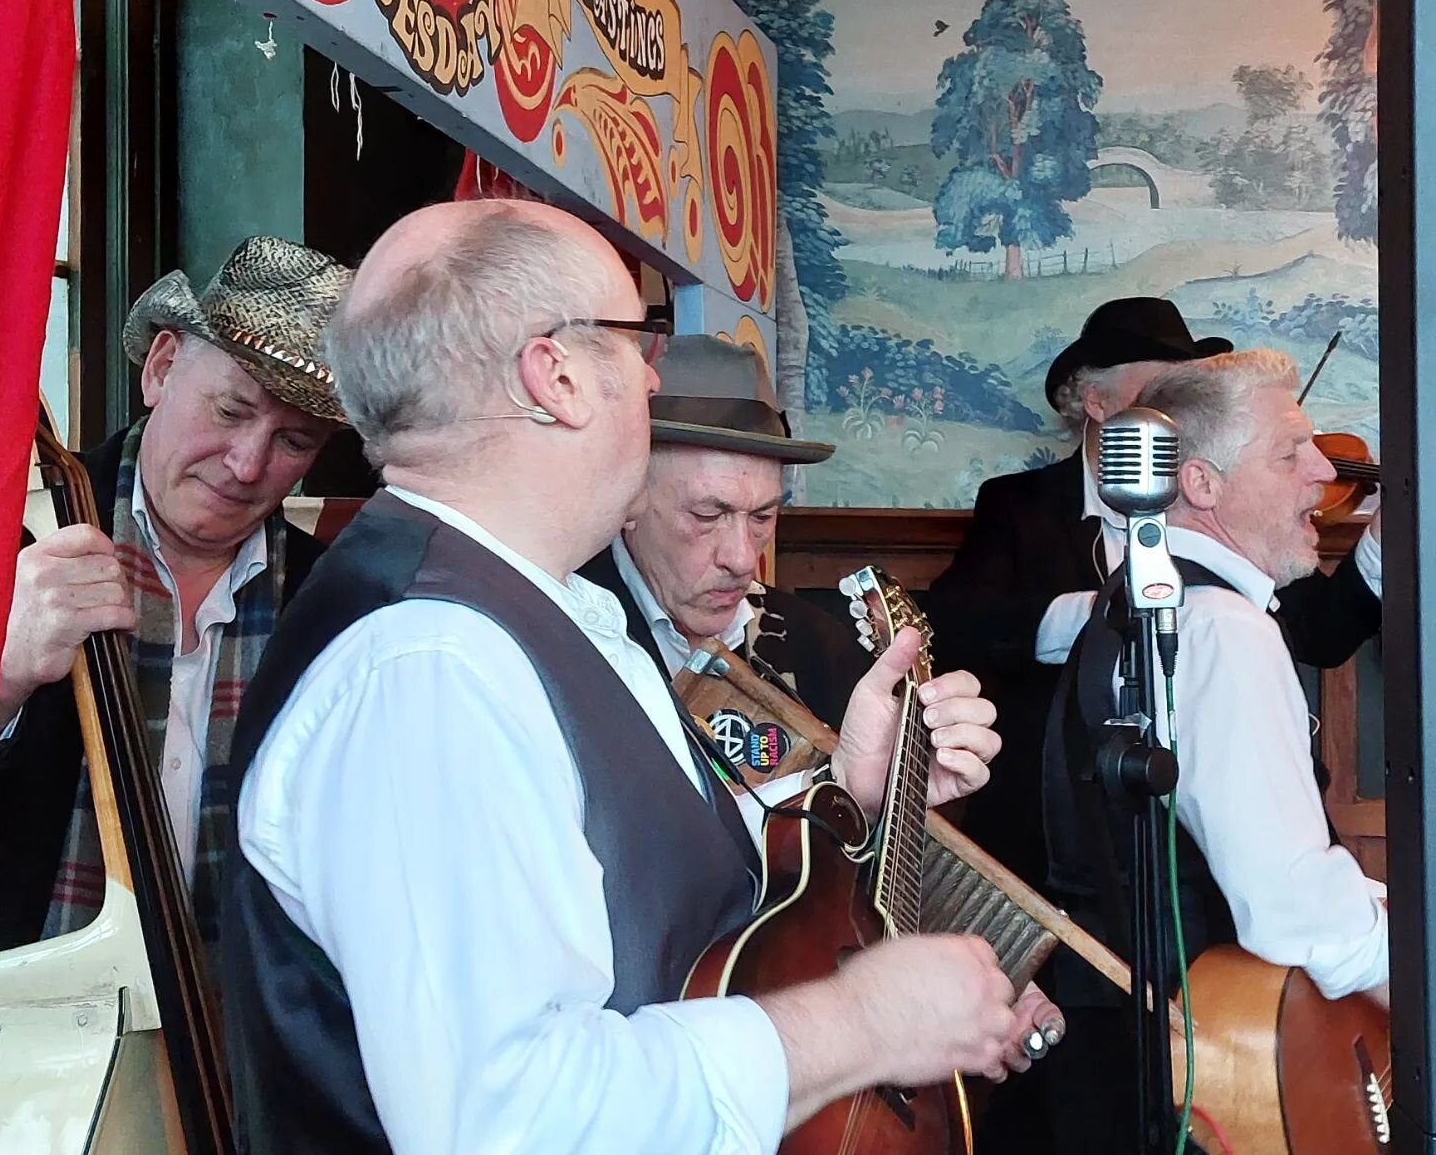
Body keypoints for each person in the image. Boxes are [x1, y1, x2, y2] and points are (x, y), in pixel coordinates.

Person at [221, 199, 1053, 1155]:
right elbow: (507, 1121)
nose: (653, 375)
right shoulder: (430, 665)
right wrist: (864, 1022)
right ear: (557, 374)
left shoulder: (527, 610)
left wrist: (850, 797)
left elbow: (651, 897)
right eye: (636, 339)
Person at [1038, 349, 1388, 1151]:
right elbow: (1293, 908)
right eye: (1288, 452)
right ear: (1200, 484)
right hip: (1210, 1077)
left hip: (1125, 1058)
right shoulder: (1223, 632)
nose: (1321, 476)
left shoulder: (1136, 610)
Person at [925, 296, 1383, 891]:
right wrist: (1101, 615)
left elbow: (1323, 632)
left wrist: (1381, 540)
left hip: (1201, 854)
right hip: (1052, 830)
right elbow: (956, 624)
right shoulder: (1019, 505)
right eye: (1160, 393)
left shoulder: (1219, 513)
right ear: (1097, 402)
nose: (1179, 413)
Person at [0, 237, 349, 952]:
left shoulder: (334, 599)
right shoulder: (20, 535)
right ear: (161, 368)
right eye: (229, 411)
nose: (247, 464)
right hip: (31, 1028)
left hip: (236, 1042)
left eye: (294, 442)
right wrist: (4, 675)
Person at [580, 333, 867, 732]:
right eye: (707, 515)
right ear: (630, 497)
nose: (743, 559)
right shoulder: (565, 632)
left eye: (762, 517)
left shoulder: (819, 645)